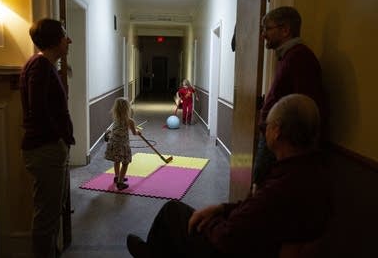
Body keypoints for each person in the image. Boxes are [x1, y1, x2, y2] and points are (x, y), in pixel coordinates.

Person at [126, 94, 331, 258]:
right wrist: (223, 208)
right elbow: (256, 211)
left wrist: (211, 222)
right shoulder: (311, 172)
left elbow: (229, 236)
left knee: (172, 213)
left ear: (276, 131)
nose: (263, 131)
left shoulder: (282, 185)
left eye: (265, 126)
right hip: (256, 242)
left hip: (236, 248)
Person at [253, 6, 326, 188]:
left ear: (285, 30)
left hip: (282, 145)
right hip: (274, 140)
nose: (263, 35)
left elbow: (306, 108)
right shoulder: (288, 57)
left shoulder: (300, 58)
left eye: (267, 29)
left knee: (265, 192)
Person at [19, 18, 74, 258]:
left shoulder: (44, 65)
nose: (68, 40)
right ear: (54, 40)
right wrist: (59, 139)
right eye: (64, 35)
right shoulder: (40, 67)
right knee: (46, 217)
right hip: (46, 150)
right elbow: (38, 111)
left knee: (52, 212)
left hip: (49, 149)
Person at [105, 97, 141, 190]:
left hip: (114, 144)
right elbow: (134, 133)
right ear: (127, 109)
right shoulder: (130, 121)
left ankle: (117, 177)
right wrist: (138, 132)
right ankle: (120, 183)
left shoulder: (116, 120)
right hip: (122, 145)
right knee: (125, 163)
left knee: (117, 161)